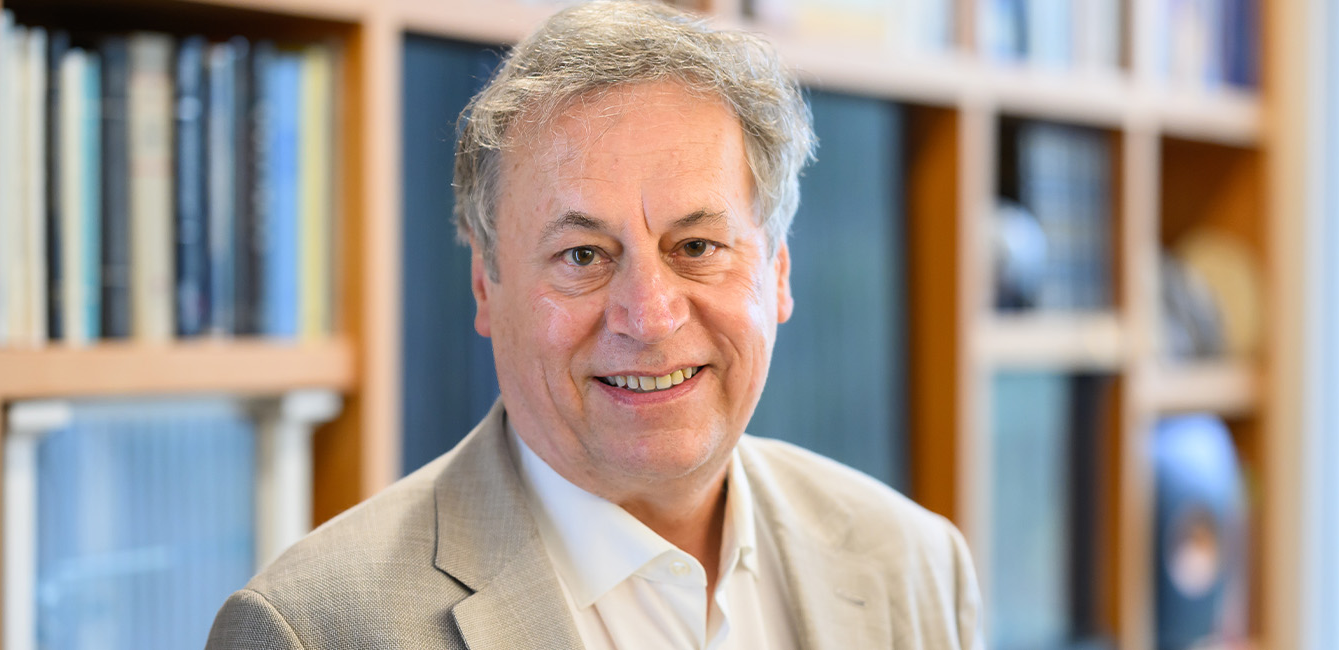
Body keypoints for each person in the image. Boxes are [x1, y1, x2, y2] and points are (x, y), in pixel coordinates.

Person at [207, 1, 982, 648]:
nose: (647, 316)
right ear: (486, 283)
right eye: (582, 255)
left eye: (698, 247)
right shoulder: (309, 632)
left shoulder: (914, 565)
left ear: (777, 272)